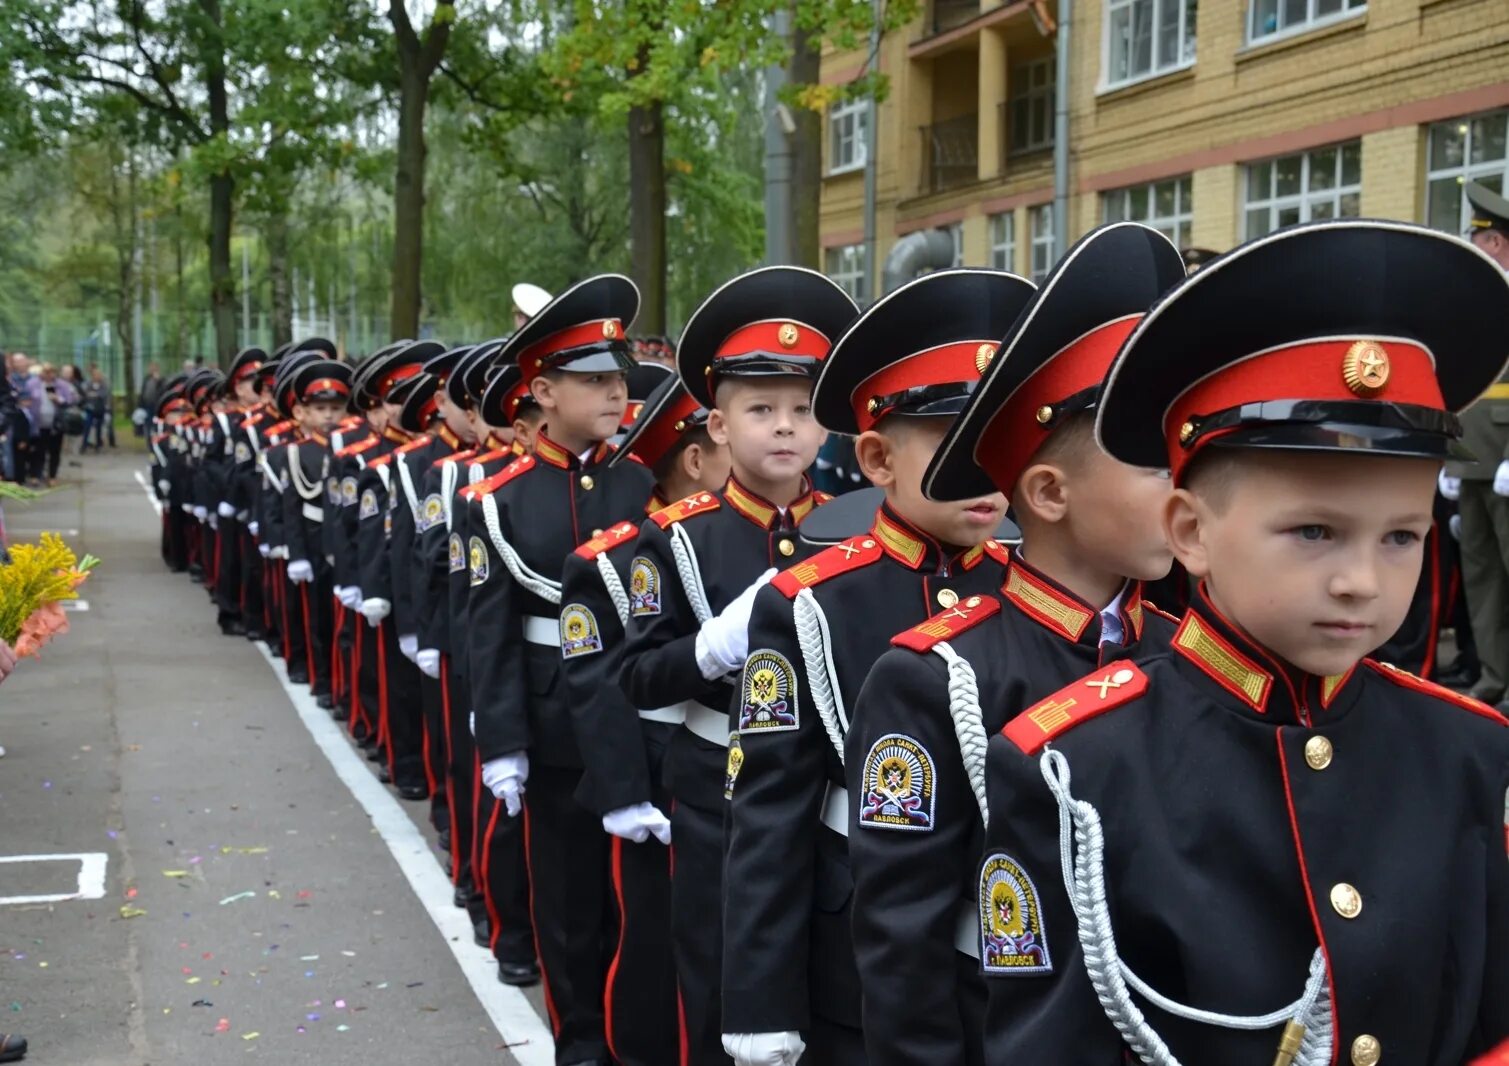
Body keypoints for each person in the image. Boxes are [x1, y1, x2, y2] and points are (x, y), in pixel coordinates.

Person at [981, 219, 1509, 1063]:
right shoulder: (1077, 771)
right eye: (1312, 531)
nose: (1361, 581)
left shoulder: (1470, 754)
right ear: (1188, 531)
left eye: (1401, 537)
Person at [844, 223, 1185, 1066]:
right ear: (1046, 490)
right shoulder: (937, 678)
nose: (1188, 487)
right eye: (1155, 463)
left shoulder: (1184, 651)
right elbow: (902, 942)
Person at [719, 267, 1032, 1066]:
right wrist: (761, 1003)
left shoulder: (1035, 585)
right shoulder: (810, 603)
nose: (984, 473)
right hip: (860, 962)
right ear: (875, 457)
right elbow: (769, 812)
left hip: (1020, 971)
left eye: (997, 443)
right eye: (953, 446)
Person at [619, 265, 857, 1066]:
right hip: (719, 790)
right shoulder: (678, 537)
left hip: (829, 793)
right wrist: (711, 647)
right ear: (717, 428)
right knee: (723, 983)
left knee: (828, 983)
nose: (783, 429)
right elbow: (638, 677)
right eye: (759, 410)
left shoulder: (856, 531)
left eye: (801, 411)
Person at [468, 275, 656, 1066]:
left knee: (640, 903)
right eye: (594, 380)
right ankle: (579, 1039)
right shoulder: (498, 500)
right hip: (556, 727)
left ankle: (634, 1035)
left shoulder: (642, 482)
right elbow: (490, 630)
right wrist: (503, 739)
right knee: (572, 900)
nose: (616, 392)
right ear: (541, 391)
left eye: (619, 378)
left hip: (640, 715)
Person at [563, 373, 732, 1066]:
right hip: (656, 777)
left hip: (731, 774)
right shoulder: (620, 555)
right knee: (651, 943)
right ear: (695, 460)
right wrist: (625, 791)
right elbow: (603, 683)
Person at [1448, 181, 1509, 708]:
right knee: (1483, 575)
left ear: (1496, 244)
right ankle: (1494, 677)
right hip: (1474, 458)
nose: (1473, 246)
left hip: (1507, 457)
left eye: (1477, 238)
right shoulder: (1481, 302)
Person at [29, 363, 77, 486]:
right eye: (45, 372)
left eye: (50, 372)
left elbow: (71, 400)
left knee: (54, 451)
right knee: (38, 451)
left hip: (56, 424)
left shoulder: (62, 385)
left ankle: (52, 476)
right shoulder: (33, 384)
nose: (48, 374)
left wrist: (58, 399)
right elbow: (27, 398)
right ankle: (36, 475)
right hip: (38, 423)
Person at [79, 365, 110, 453]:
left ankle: (98, 445)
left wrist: (94, 394)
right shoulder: (89, 383)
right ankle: (84, 445)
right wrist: (94, 394)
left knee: (99, 428)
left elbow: (103, 395)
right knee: (87, 426)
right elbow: (86, 393)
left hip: (100, 408)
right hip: (90, 408)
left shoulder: (103, 384)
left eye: (98, 375)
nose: (96, 376)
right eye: (95, 375)